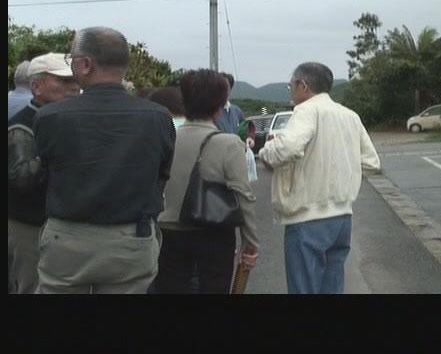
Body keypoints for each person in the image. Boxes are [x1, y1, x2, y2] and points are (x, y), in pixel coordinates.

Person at [32, 27, 175, 294]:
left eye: (71, 59)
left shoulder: (50, 116)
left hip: (67, 237)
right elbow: (161, 175)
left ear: (86, 64)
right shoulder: (158, 117)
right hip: (131, 238)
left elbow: (43, 174)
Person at [259, 62, 381, 294]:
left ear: (303, 85)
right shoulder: (350, 115)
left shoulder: (307, 110)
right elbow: (371, 162)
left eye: (291, 86)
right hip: (342, 218)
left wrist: (266, 153)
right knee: (332, 287)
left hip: (307, 218)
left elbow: (287, 148)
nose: (291, 91)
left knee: (304, 288)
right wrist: (342, 174)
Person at [154, 69, 259, 294]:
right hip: (214, 233)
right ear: (220, 106)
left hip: (169, 231)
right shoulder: (229, 143)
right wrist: (250, 242)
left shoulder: (166, 137)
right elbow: (243, 196)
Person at [8, 53, 80, 294]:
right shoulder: (22, 126)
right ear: (36, 86)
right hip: (29, 225)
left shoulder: (64, 119)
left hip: (59, 224)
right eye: (63, 81)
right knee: (32, 285)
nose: (74, 87)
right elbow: (21, 178)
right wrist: (53, 155)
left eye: (74, 80)